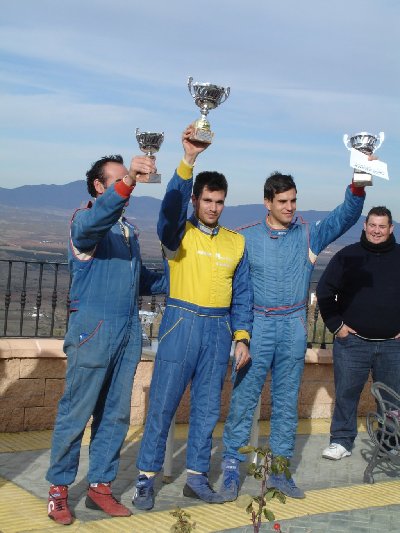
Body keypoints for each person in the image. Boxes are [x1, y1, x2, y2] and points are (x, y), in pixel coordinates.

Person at [220, 171, 366, 501]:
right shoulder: (245, 238)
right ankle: (231, 468)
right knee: (244, 401)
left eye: (293, 200)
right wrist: (239, 334)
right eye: (283, 201)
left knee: (287, 403)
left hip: (292, 327)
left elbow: (346, 215)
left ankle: (280, 472)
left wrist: (358, 184)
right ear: (267, 202)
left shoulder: (308, 235)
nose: (290, 207)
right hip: (257, 328)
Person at [132, 125, 253, 511]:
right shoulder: (178, 233)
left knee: (207, 408)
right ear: (196, 200)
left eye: (219, 201)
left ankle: (197, 478)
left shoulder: (237, 242)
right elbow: (167, 212)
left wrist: (242, 336)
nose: (214, 208)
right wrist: (188, 161)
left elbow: (244, 294)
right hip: (181, 322)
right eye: (208, 201)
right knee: (164, 404)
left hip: (219, 328)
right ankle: (147, 479)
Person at [46, 153, 166, 525]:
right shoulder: (85, 221)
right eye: (116, 181)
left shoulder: (128, 230)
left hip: (127, 334)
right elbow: (95, 222)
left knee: (114, 417)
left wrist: (181, 272)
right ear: (100, 187)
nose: (123, 186)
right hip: (92, 333)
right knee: (76, 413)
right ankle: (59, 491)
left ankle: (100, 487)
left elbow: (141, 281)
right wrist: (130, 180)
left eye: (125, 181)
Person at [317, 206, 400, 460]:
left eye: (382, 226)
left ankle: (389, 443)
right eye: (372, 225)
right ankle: (341, 441)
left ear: (391, 229)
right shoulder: (347, 256)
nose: (377, 230)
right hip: (352, 343)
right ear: (365, 226)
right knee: (346, 393)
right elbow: (324, 291)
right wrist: (337, 327)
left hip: (392, 346)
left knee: (391, 401)